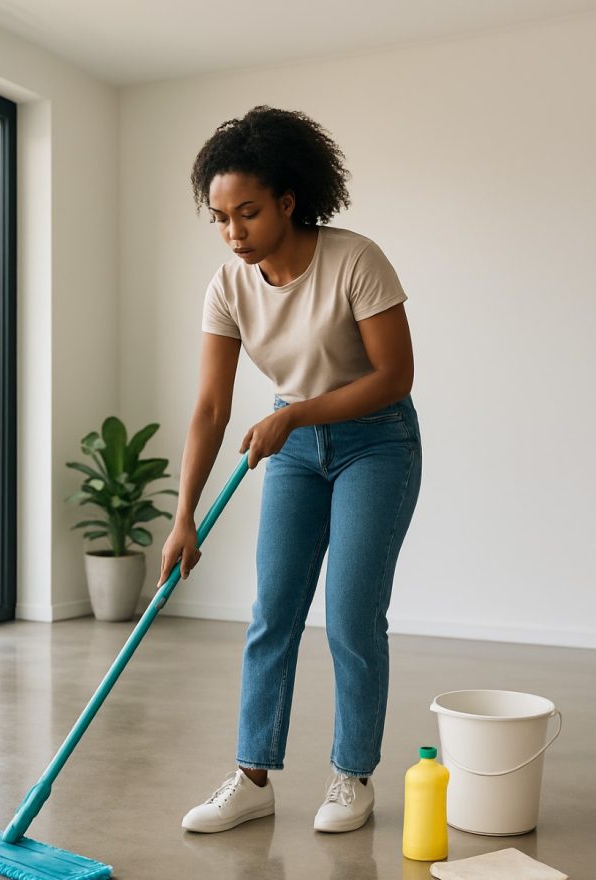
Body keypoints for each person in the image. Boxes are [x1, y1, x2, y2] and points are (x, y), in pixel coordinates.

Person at [157, 106, 422, 834]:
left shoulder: (355, 260)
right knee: (272, 611)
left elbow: (394, 376)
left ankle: (351, 775)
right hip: (295, 452)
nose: (233, 232)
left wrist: (295, 415)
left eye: (247, 213)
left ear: (288, 200)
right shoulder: (228, 287)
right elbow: (210, 408)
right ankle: (252, 776)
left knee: (350, 616)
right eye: (218, 218)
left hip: (376, 442)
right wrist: (183, 518)